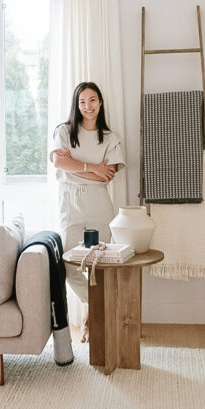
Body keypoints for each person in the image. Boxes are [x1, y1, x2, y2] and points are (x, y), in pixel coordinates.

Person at [50, 82, 125, 341]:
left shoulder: (110, 138)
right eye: (82, 102)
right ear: (76, 105)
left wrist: (75, 168)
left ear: (100, 102)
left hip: (99, 203)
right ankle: (94, 306)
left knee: (100, 261)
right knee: (69, 262)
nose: (88, 106)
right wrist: (93, 167)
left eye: (92, 100)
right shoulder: (64, 131)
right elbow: (58, 161)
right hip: (70, 204)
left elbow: (108, 176)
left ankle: (98, 320)